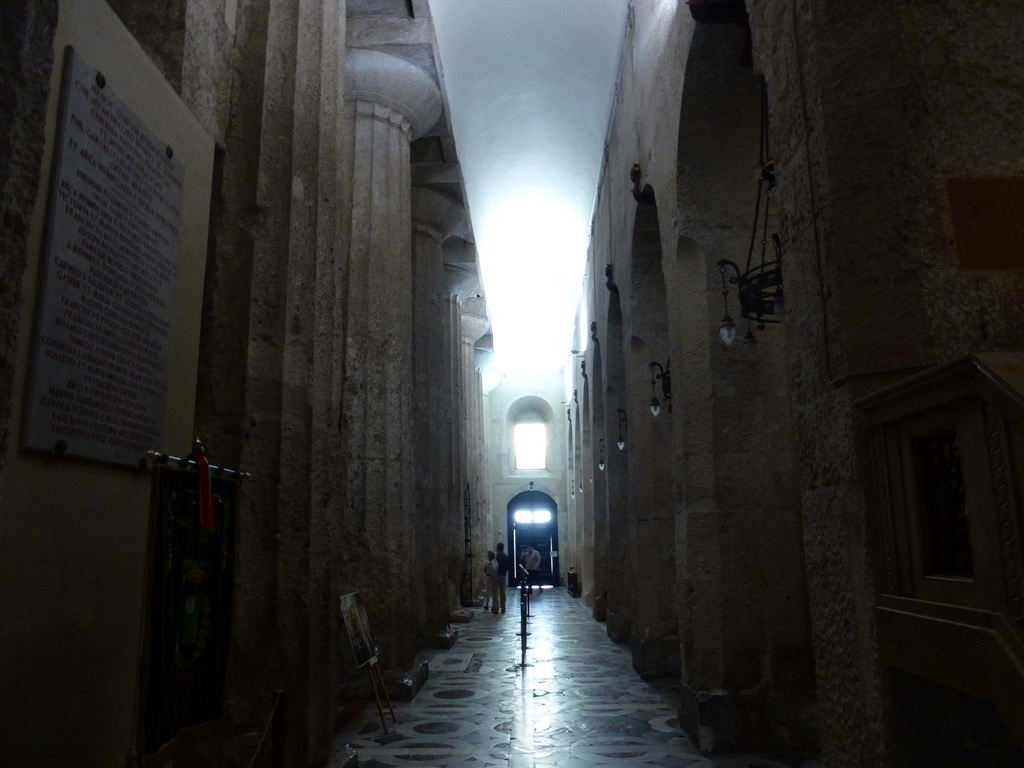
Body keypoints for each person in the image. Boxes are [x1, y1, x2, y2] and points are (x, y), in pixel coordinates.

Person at [494, 543, 511, 613]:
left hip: (495, 575)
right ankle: (503, 607)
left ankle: (496, 608)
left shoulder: (495, 555)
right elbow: (508, 567)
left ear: (497, 547)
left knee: (495, 592)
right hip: (503, 575)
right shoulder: (506, 556)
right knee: (502, 592)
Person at [483, 550, 499, 614]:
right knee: (495, 592)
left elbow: (484, 570)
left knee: (488, 592)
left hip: (488, 577)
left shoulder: (487, 562)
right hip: (495, 577)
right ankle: (495, 606)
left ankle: (487, 605)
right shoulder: (496, 562)